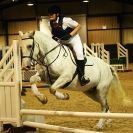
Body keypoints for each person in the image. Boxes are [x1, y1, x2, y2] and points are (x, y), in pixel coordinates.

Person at [48, 5, 90, 86]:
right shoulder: (49, 23)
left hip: (73, 39)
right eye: (49, 14)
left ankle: (82, 77)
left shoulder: (66, 20)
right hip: (62, 41)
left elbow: (79, 26)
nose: (50, 16)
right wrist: (55, 38)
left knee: (79, 54)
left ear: (57, 14)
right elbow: (54, 33)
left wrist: (70, 35)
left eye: (51, 14)